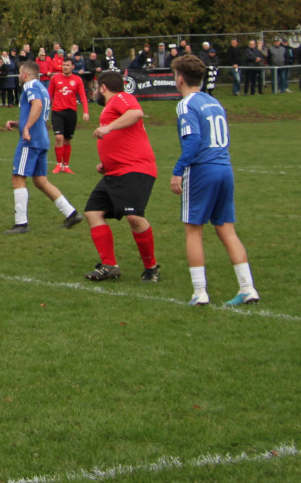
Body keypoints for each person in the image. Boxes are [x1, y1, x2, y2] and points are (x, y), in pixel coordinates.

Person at [170, 55, 258, 306]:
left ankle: (199, 293)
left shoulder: (187, 104)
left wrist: (178, 169)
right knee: (226, 229)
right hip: (224, 168)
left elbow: (194, 140)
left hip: (202, 170)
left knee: (193, 230)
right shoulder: (214, 101)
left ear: (181, 78)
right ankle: (247, 287)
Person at [83, 71, 160, 282]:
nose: (95, 92)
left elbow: (136, 113)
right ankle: (109, 265)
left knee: (134, 217)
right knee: (93, 212)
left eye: (96, 88)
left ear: (103, 88)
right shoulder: (112, 106)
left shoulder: (121, 97)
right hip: (115, 171)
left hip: (135, 169)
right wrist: (107, 163)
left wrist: (106, 128)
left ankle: (151, 267)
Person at [3, 62, 83, 234]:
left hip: (30, 141)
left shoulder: (30, 85)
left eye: (19, 73)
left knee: (18, 178)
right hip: (42, 139)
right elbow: (39, 113)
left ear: (24, 74)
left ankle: (21, 223)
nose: (18, 76)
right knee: (40, 181)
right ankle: (71, 213)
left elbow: (37, 106)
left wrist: (25, 128)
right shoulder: (42, 87)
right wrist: (19, 124)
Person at [48, 56, 90, 174]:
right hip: (57, 112)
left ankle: (66, 166)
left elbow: (83, 97)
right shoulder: (55, 78)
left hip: (71, 112)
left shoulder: (77, 80)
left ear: (73, 67)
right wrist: (45, 109)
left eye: (67, 65)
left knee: (67, 140)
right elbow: (49, 95)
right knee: (58, 137)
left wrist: (85, 112)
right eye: (63, 65)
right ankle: (58, 165)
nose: (65, 67)